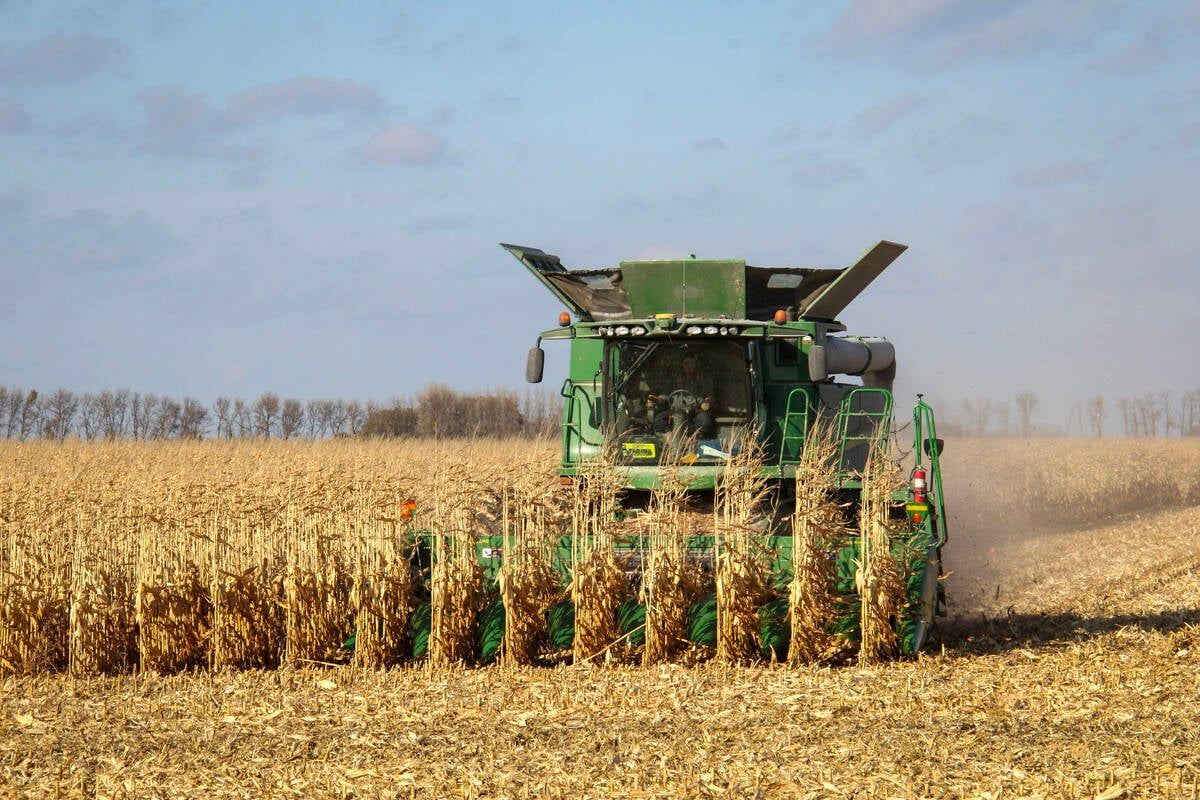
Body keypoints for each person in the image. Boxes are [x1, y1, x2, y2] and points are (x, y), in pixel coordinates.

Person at [651, 351, 716, 437]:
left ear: (695, 365)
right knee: (659, 420)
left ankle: (696, 440)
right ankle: (670, 440)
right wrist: (656, 400)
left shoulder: (703, 380)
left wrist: (706, 402)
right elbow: (664, 395)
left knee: (704, 421)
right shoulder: (673, 380)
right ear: (682, 365)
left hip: (695, 412)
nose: (689, 366)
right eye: (686, 363)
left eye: (691, 363)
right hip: (675, 411)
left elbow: (709, 395)